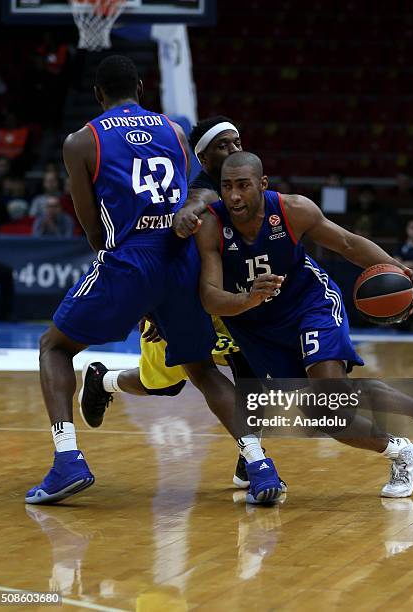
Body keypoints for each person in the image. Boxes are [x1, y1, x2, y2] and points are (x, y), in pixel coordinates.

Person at [26, 57, 281, 507]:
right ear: (141, 88)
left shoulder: (81, 141)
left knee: (55, 345)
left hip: (131, 258)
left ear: (98, 94)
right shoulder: (174, 131)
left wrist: (132, 285)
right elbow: (184, 199)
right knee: (200, 368)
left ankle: (68, 460)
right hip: (180, 259)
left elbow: (90, 225)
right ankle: (260, 466)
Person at [195, 151, 413, 498]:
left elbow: (347, 244)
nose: (234, 196)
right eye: (226, 186)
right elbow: (209, 296)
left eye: (243, 186)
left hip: (308, 304)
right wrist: (246, 301)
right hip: (255, 324)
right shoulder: (211, 225)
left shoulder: (293, 210)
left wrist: (398, 267)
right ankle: (405, 452)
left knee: (331, 391)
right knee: (326, 414)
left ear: (262, 184)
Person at [78, 116, 285, 491]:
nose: (234, 150)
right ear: (203, 159)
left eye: (237, 142)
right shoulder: (200, 192)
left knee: (252, 374)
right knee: (162, 385)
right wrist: (152, 306)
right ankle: (102, 380)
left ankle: (249, 457)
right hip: (182, 302)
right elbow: (196, 205)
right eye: (223, 146)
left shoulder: (252, 192)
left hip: (227, 301)